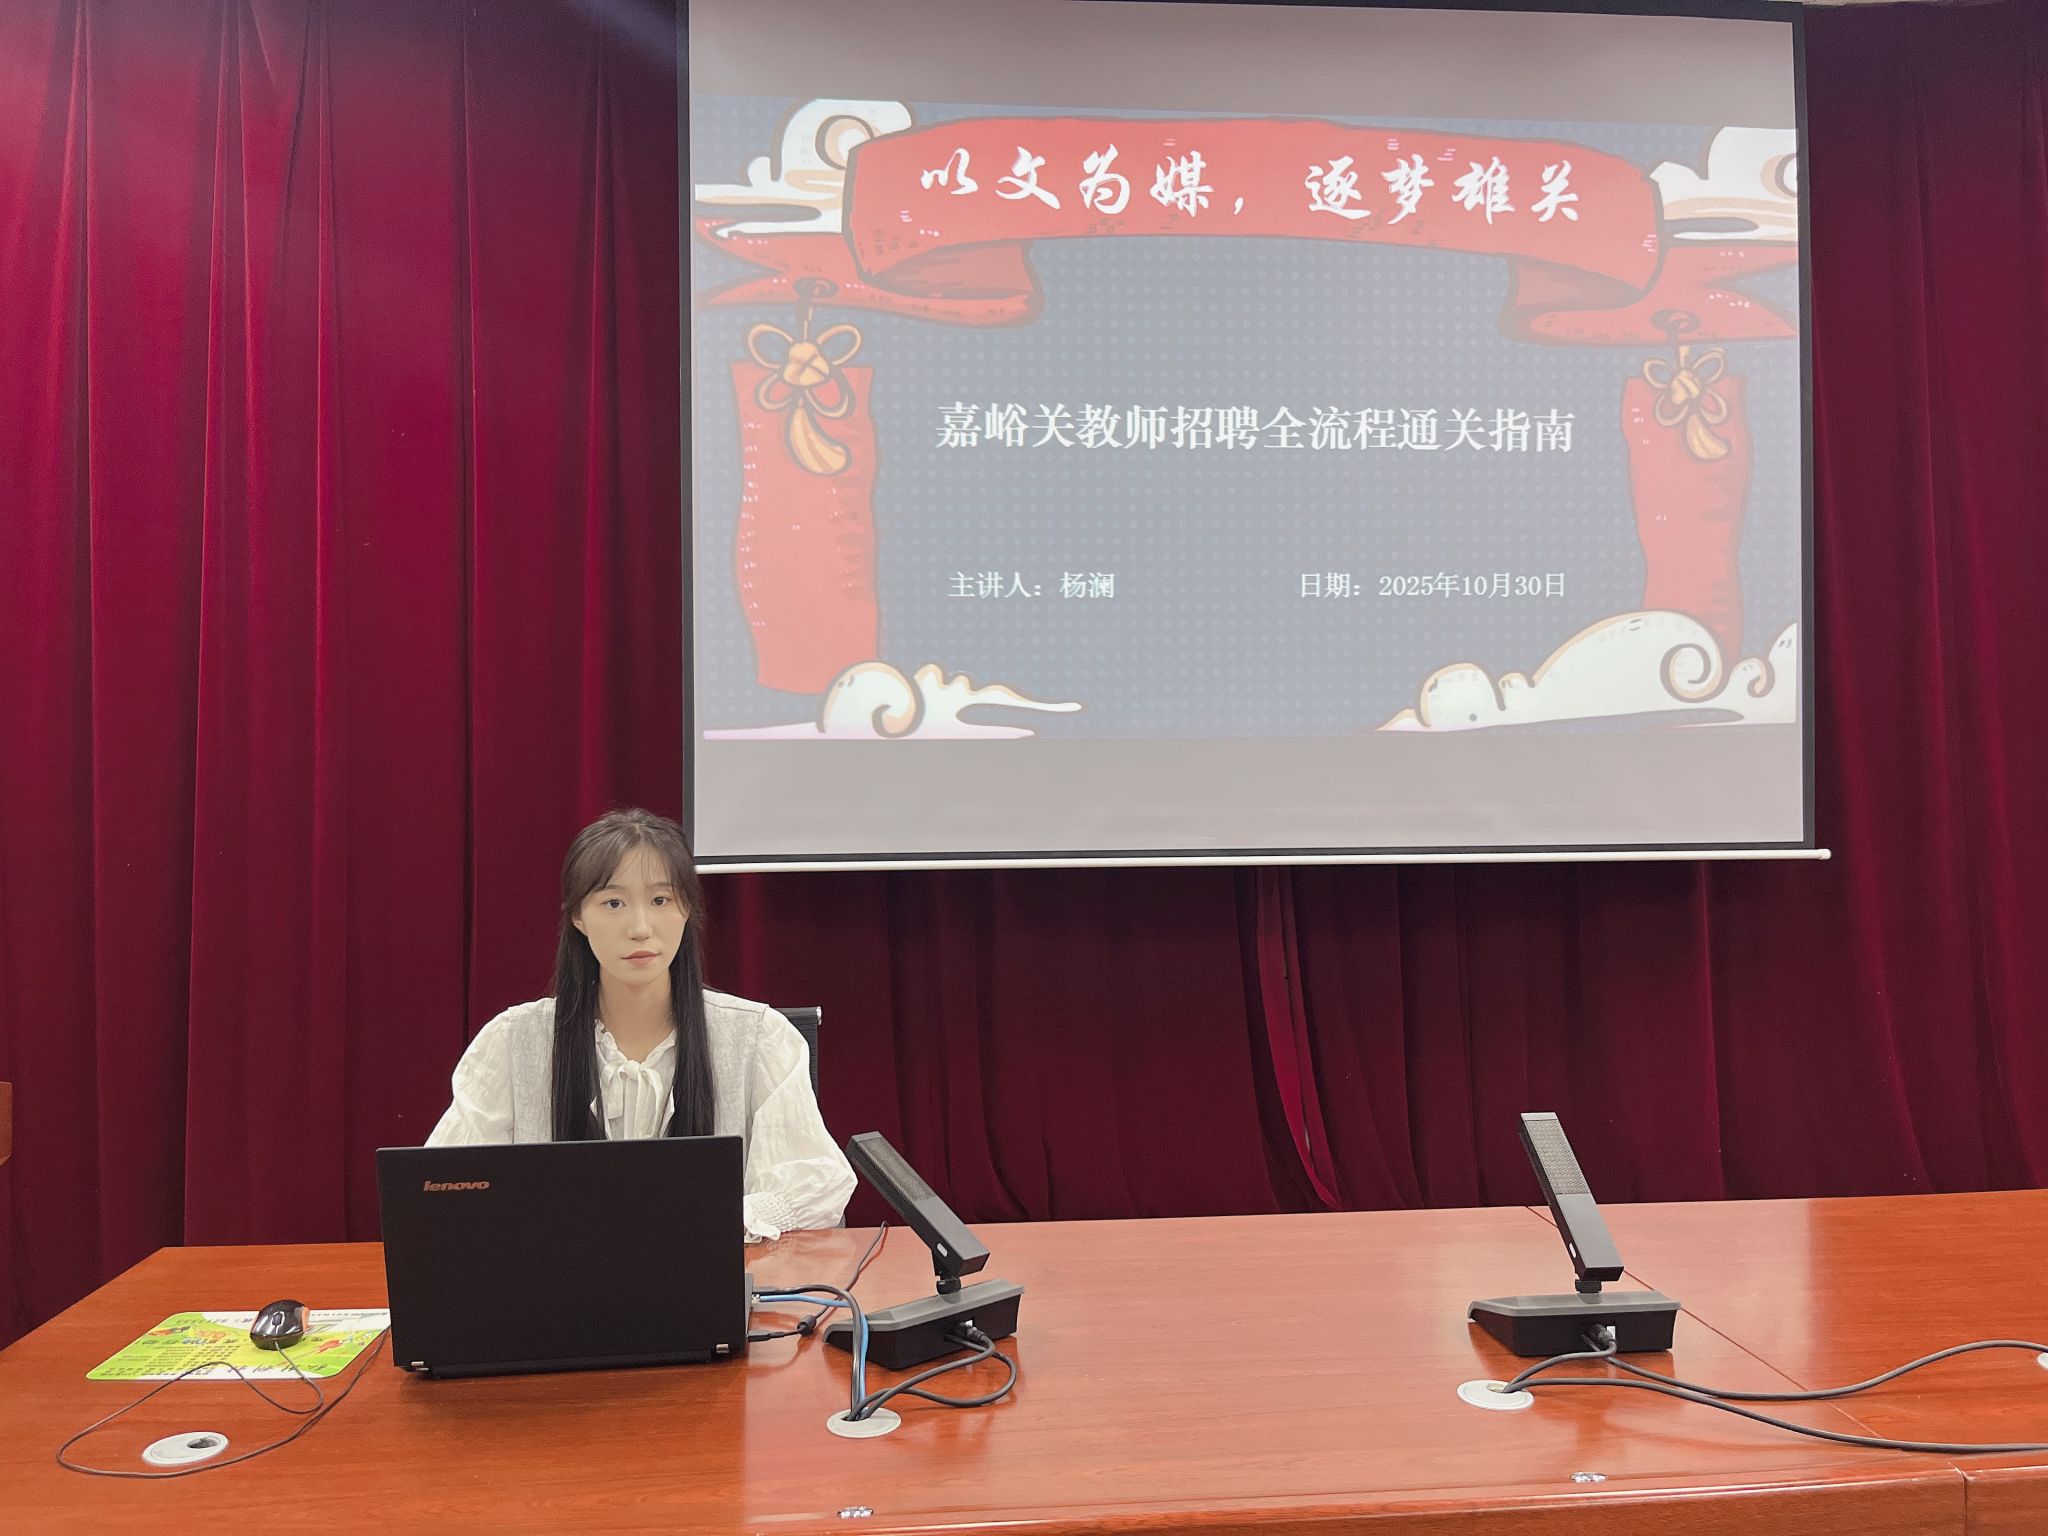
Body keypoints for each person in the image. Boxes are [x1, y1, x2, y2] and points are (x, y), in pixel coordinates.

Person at [426, 807, 853, 1240]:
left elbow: (814, 1180)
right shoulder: (513, 1041)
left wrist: (709, 1221)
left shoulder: (758, 1036)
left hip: (708, 1273)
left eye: (661, 900)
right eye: (613, 903)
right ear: (578, 916)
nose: (640, 928)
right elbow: (447, 1184)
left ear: (687, 909)